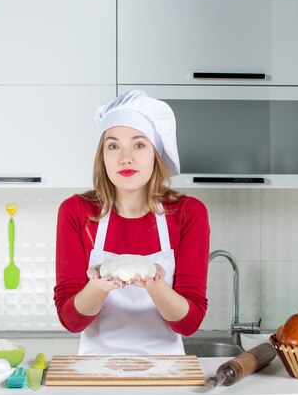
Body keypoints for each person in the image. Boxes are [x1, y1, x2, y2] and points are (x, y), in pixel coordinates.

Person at [53, 90, 210, 355]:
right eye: (113, 146)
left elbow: (189, 323)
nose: (126, 158)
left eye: (139, 145)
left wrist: (155, 284)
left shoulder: (188, 213)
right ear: (102, 156)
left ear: (155, 154)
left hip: (166, 373)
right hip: (96, 374)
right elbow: (71, 321)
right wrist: (98, 286)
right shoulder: (76, 211)